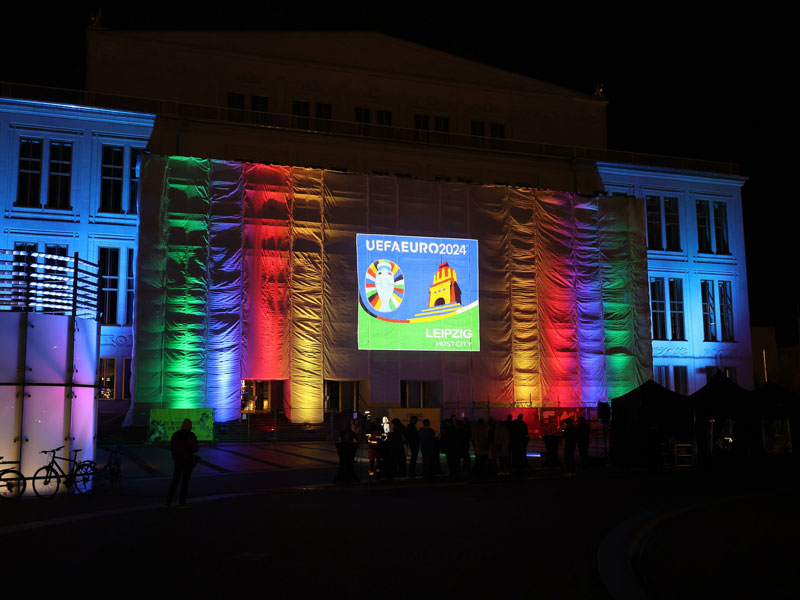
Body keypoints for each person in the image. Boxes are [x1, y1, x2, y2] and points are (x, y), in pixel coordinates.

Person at [166, 418, 199, 507]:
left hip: (178, 461)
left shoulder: (175, 435)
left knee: (175, 481)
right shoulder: (191, 435)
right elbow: (196, 448)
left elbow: (172, 447)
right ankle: (182, 502)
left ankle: (168, 501)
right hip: (188, 461)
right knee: (185, 482)